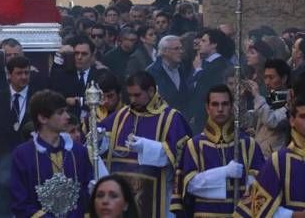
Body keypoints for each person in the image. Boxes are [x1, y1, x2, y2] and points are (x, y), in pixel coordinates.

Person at [99, 71, 192, 218]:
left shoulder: (171, 118)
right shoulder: (121, 116)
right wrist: (99, 140)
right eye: (130, 95)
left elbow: (182, 157)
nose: (132, 100)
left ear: (151, 91)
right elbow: (102, 146)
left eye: (137, 95)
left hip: (157, 196)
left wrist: (148, 148)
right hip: (123, 196)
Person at [171, 84, 264, 216]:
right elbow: (191, 186)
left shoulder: (249, 144)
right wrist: (224, 172)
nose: (220, 109)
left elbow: (260, 188)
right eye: (215, 104)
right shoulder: (194, 145)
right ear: (207, 108)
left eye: (225, 104)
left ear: (232, 107)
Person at [10, 90, 95, 218]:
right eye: (60, 112)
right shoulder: (22, 155)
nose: (67, 116)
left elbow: (87, 196)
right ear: (42, 118)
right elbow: (19, 203)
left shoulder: (78, 151)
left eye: (66, 111)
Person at [234, 93, 305, 217]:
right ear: (292, 121)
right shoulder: (279, 160)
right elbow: (253, 210)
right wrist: (294, 215)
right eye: (303, 116)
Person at [187, 28, 233, 133]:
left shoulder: (218, 65)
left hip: (208, 120)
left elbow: (204, 91)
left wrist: (198, 70)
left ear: (214, 45)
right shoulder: (203, 63)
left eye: (204, 41)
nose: (200, 44)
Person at [248, 58, 291, 156]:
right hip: (259, 154)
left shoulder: (290, 102)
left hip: (276, 158)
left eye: (271, 78)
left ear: (284, 78)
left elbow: (272, 121)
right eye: (265, 77)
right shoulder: (269, 99)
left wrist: (257, 96)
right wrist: (240, 100)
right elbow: (247, 122)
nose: (267, 82)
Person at [145, 35, 190, 113]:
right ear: (164, 51)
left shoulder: (183, 68)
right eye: (176, 49)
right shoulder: (151, 72)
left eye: (181, 48)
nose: (181, 51)